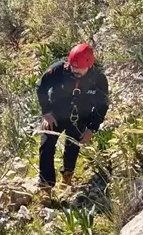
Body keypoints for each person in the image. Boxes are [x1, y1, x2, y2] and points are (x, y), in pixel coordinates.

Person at [36, 43, 109, 190]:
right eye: (72, 67)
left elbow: (102, 105)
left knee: (73, 146)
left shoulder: (98, 79)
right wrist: (46, 112)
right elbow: (41, 87)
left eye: (78, 68)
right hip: (56, 114)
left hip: (80, 116)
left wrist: (91, 129)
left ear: (89, 64)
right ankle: (46, 185)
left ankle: (67, 176)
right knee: (46, 144)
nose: (74, 70)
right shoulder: (58, 70)